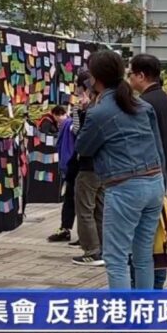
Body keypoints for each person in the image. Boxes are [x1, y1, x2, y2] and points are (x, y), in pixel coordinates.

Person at [76, 50, 165, 333]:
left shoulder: (99, 112)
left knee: (115, 257)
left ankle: (120, 326)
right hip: (154, 183)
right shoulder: (140, 105)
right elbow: (158, 146)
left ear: (95, 79)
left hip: (125, 186)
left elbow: (84, 148)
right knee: (142, 256)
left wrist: (85, 110)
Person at [127, 54, 167, 290]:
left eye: (131, 74)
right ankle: (157, 285)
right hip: (164, 173)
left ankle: (146, 288)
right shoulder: (166, 99)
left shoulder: (144, 104)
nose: (129, 79)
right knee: (158, 235)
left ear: (141, 75)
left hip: (149, 174)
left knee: (144, 240)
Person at [71, 73, 106, 266]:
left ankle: (91, 251)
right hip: (104, 166)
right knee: (100, 209)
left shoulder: (90, 110)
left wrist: (80, 112)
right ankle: (102, 248)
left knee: (85, 210)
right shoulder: (108, 107)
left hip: (88, 166)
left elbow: (80, 137)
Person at [48, 102, 78, 243]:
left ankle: (68, 230)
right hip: (72, 168)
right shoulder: (67, 125)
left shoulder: (70, 125)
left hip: (75, 168)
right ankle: (65, 228)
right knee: (70, 200)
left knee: (76, 202)